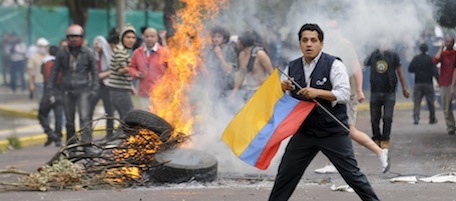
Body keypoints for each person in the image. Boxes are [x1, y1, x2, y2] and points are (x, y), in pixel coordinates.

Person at [269, 23, 379, 201]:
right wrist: (282, 87)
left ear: (321, 44)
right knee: (285, 175)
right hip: (304, 132)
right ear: (300, 44)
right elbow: (281, 96)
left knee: (352, 175)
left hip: (332, 130)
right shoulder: (291, 67)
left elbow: (343, 94)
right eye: (305, 40)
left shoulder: (334, 64)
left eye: (313, 40)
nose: (309, 44)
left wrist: (317, 92)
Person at [314, 21, 389, 174]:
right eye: (327, 28)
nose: (330, 31)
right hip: (335, 95)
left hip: (347, 94)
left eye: (333, 28)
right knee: (334, 127)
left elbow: (356, 68)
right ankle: (332, 163)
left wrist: (360, 90)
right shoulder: (329, 45)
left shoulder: (345, 44)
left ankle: (380, 152)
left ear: (339, 29)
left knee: (349, 129)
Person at [47, 24, 99, 149]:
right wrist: (50, 88)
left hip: (84, 90)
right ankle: (71, 146)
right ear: (67, 38)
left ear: (81, 37)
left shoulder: (88, 52)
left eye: (76, 37)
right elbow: (54, 71)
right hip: (66, 90)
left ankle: (87, 145)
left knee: (84, 118)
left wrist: (94, 88)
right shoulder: (62, 53)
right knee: (69, 121)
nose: (74, 39)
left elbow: (94, 72)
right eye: (71, 37)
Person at [364, 38, 410, 149]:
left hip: (389, 92)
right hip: (375, 91)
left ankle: (385, 139)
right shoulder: (373, 55)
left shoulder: (393, 55)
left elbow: (400, 72)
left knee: (387, 118)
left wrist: (404, 88)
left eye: (385, 42)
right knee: (374, 118)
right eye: (380, 42)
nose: (383, 44)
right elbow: (365, 63)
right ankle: (376, 138)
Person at [128, 27, 168, 111]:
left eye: (152, 36)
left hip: (160, 93)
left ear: (157, 37)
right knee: (145, 119)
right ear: (143, 37)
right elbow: (131, 67)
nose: (149, 39)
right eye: (147, 36)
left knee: (160, 119)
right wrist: (135, 73)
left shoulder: (164, 52)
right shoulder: (137, 52)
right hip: (144, 92)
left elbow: (172, 70)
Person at [231, 30, 274, 101]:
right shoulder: (241, 55)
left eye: (238, 40)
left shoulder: (260, 54)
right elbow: (242, 74)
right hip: (248, 91)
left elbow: (272, 74)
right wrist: (234, 92)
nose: (237, 43)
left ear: (243, 41)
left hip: (261, 91)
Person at [107, 24, 137, 119]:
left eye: (133, 37)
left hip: (119, 90)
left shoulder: (123, 51)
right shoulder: (120, 51)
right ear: (122, 38)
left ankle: (120, 134)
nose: (131, 40)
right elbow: (120, 70)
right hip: (119, 91)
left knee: (124, 119)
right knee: (129, 118)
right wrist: (135, 69)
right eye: (128, 37)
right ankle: (121, 134)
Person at [39, 45, 63, 147]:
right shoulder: (61, 64)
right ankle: (57, 137)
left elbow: (43, 74)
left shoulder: (46, 63)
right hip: (59, 91)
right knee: (58, 116)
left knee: (42, 114)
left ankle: (50, 133)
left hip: (48, 91)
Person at [409, 43, 439, 125]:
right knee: (431, 102)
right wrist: (439, 81)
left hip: (418, 83)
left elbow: (410, 69)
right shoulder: (430, 59)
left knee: (417, 102)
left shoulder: (416, 58)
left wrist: (418, 71)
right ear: (427, 49)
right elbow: (435, 72)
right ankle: (432, 118)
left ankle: (416, 117)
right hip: (428, 83)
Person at [91, 36, 114, 139]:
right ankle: (87, 133)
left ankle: (109, 134)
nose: (97, 45)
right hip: (94, 85)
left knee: (109, 110)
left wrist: (103, 74)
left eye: (99, 43)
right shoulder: (91, 56)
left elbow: (113, 70)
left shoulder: (109, 56)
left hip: (106, 85)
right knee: (89, 109)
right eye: (95, 43)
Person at [203, 26, 237, 97]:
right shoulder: (210, 50)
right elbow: (209, 71)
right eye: (214, 37)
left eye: (219, 37)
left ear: (224, 39)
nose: (216, 39)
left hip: (226, 87)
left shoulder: (228, 50)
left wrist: (220, 56)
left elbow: (228, 70)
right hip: (213, 87)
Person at [433, 35, 456, 135]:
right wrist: (441, 47)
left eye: (451, 42)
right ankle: (451, 126)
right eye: (447, 42)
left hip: (453, 82)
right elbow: (435, 60)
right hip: (444, 83)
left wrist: (453, 87)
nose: (449, 43)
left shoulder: (455, 54)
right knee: (446, 107)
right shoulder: (443, 53)